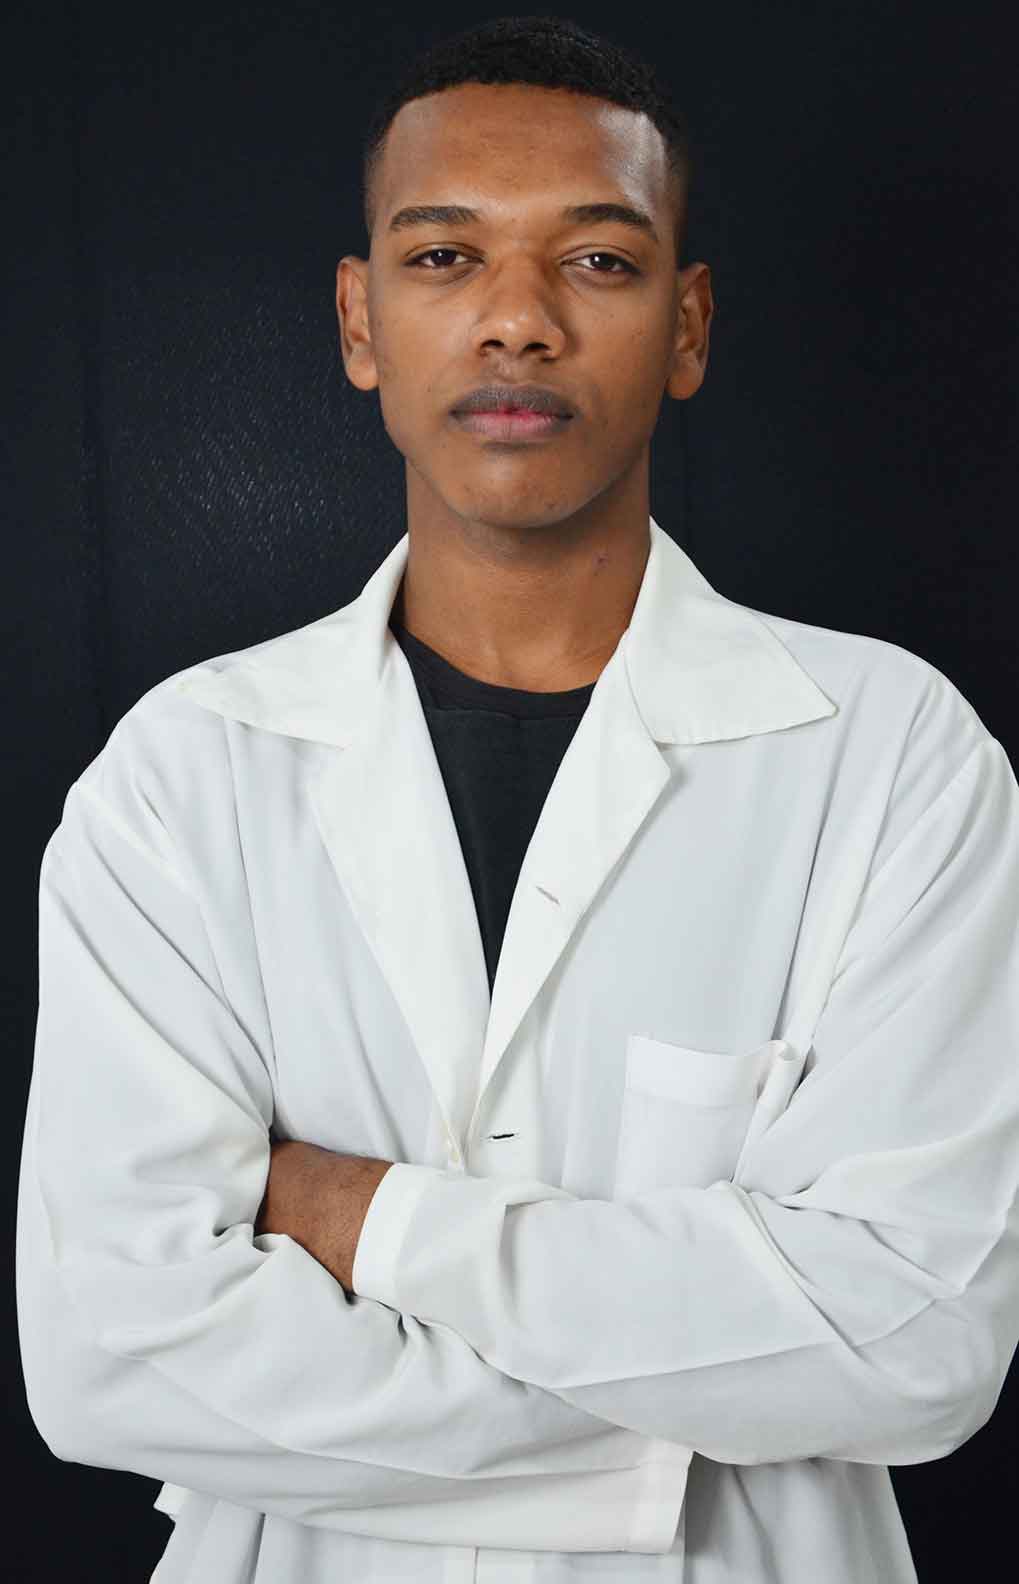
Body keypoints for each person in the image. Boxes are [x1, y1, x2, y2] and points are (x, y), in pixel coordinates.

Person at [16, 14, 1019, 1584]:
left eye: (599, 262)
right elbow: (107, 1356)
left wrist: (364, 1221)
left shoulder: (894, 756)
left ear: (687, 327)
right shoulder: (184, 776)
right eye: (443, 258)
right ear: (360, 321)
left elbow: (921, 1340)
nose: (517, 322)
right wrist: (696, 1403)